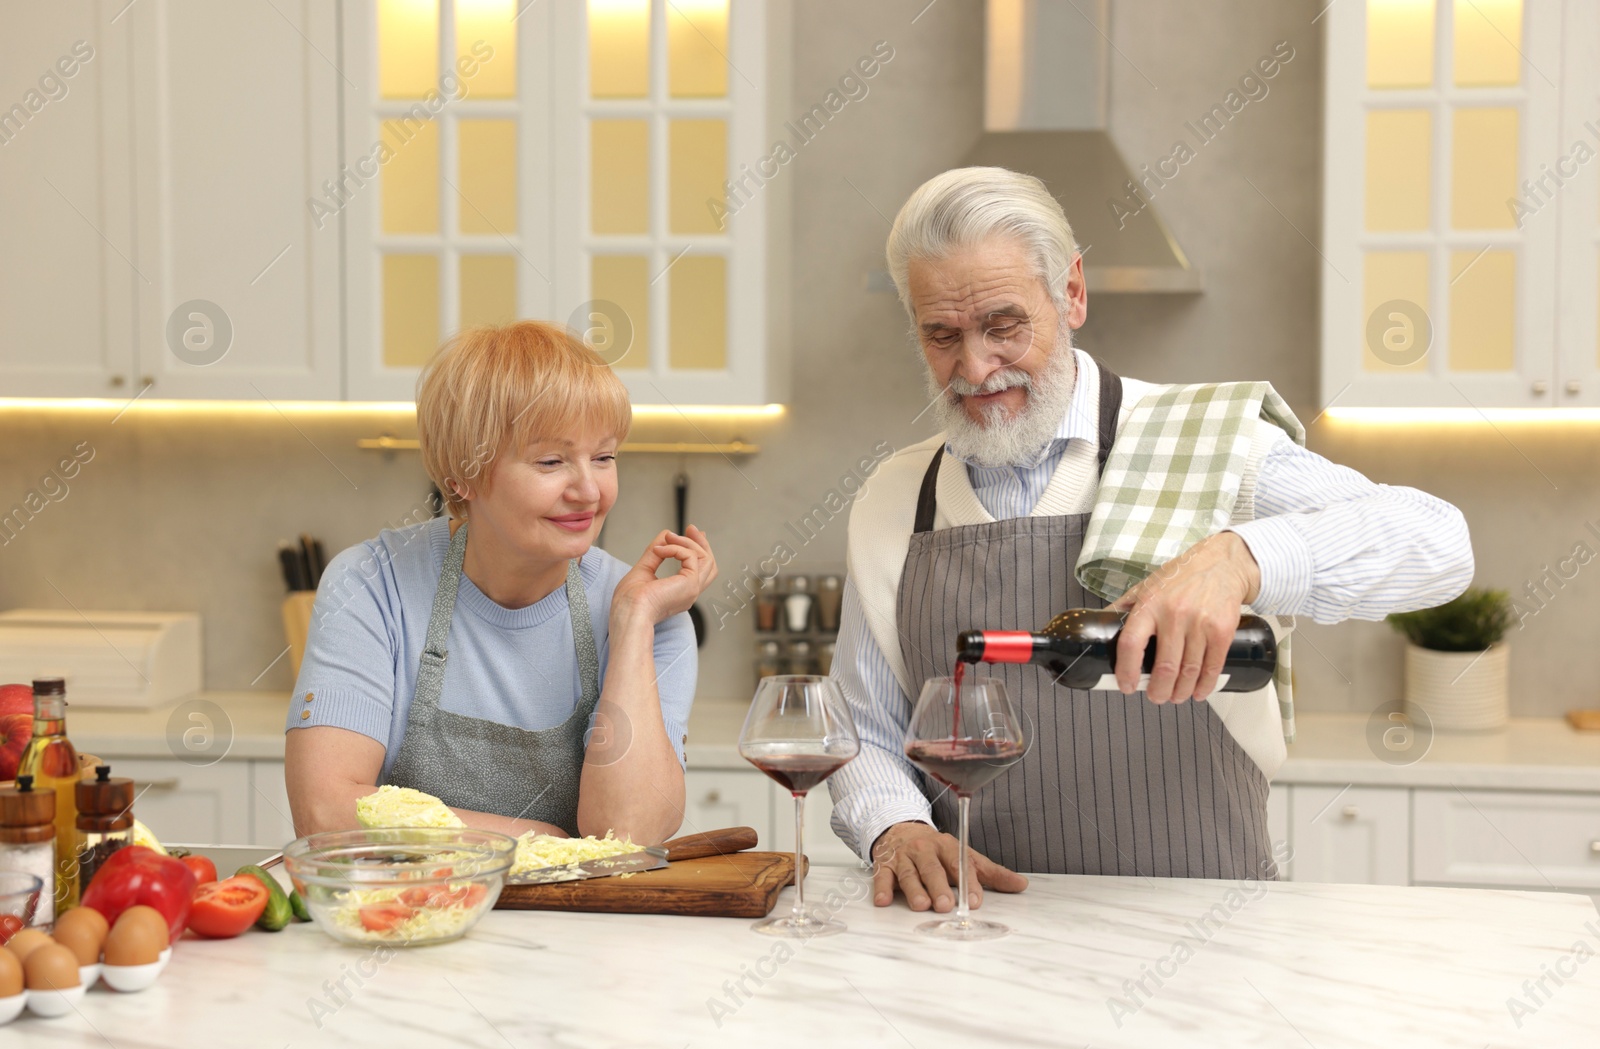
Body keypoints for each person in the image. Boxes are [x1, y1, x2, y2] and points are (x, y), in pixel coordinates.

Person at [828, 167, 1473, 912]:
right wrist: (894, 826)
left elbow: (1438, 543)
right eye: (942, 335)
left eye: (1004, 326)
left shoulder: (1200, 440)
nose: (974, 368)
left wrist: (1242, 558)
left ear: (1071, 292)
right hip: (975, 935)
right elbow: (866, 727)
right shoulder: (894, 498)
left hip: (1204, 932)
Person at [285, 321, 715, 843]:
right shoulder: (373, 585)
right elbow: (325, 812)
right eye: (551, 461)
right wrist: (540, 842)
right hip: (407, 915)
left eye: (603, 457)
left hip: (589, 927)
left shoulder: (648, 613)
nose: (588, 490)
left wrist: (632, 626)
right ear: (462, 475)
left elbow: (626, 835)